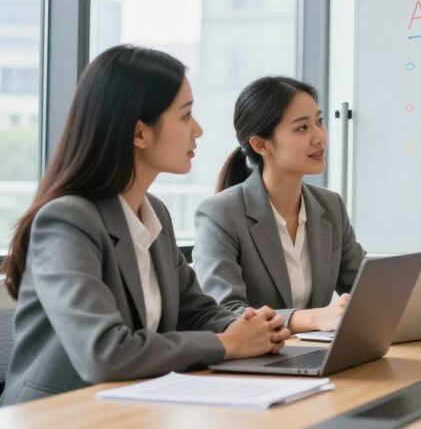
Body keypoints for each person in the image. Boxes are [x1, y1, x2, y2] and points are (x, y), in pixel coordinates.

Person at [0, 46, 288, 406]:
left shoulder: (155, 214)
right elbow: (104, 352)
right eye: (186, 116)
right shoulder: (68, 220)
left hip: (132, 404)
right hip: (58, 414)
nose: (197, 130)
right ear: (140, 133)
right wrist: (226, 345)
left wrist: (246, 326)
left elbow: (196, 310)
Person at [192, 77, 365, 333]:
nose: (319, 137)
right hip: (253, 363)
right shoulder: (220, 214)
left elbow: (367, 289)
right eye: (302, 128)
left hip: (312, 355)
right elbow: (224, 312)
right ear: (261, 145)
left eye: (319, 122)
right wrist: (312, 319)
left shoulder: (330, 206)